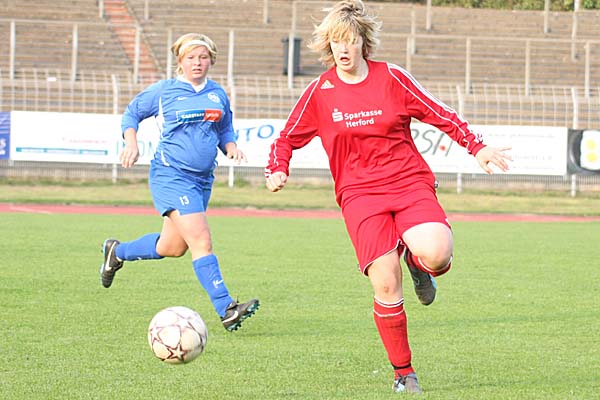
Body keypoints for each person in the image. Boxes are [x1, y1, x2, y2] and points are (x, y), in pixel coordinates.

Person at [265, 0, 511, 394]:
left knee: (437, 254)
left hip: (408, 182)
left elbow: (439, 113)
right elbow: (286, 138)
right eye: (336, 41)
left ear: (363, 42)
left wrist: (476, 146)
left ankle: (417, 262)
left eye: (350, 40)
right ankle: (404, 374)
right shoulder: (320, 92)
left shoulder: (392, 77)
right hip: (359, 195)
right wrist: (279, 168)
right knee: (385, 284)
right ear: (328, 46)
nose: (343, 49)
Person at [100, 33, 259, 332]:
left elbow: (225, 129)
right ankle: (226, 308)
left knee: (171, 247)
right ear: (180, 61)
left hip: (202, 180)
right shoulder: (165, 91)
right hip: (171, 175)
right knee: (201, 240)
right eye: (191, 57)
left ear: (211, 60)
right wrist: (131, 142)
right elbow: (132, 114)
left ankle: (116, 252)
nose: (197, 63)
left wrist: (231, 147)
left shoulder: (217, 93)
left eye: (203, 57)